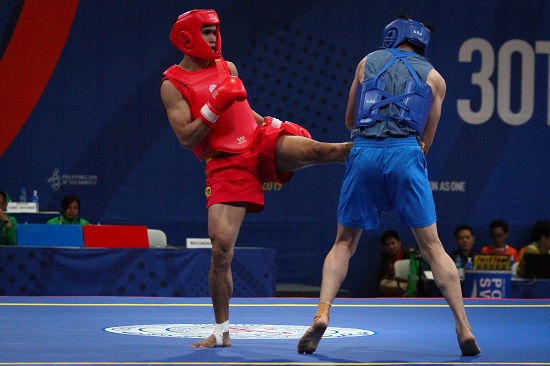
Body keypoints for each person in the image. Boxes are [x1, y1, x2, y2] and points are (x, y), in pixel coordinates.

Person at [160, 9, 352, 348]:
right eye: (206, 32)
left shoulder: (227, 68)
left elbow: (242, 111)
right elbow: (187, 137)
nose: (214, 38)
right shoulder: (172, 84)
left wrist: (272, 123)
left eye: (216, 31)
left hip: (258, 143)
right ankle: (221, 332)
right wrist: (212, 107)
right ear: (187, 37)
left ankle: (382, 148)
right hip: (223, 163)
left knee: (323, 150)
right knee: (221, 250)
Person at [297, 15, 480, 356]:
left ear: (391, 36)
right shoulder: (436, 78)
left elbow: (351, 120)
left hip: (365, 152)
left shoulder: (367, 62)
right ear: (422, 43)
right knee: (433, 247)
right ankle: (464, 327)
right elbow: (427, 139)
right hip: (406, 154)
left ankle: (323, 310)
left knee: (344, 242)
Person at [377, 230, 414, 296]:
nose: (391, 247)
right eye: (388, 245)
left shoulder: (410, 255)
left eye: (393, 243)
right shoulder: (385, 259)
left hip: (411, 283)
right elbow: (382, 279)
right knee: (383, 284)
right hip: (395, 285)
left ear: (399, 243)